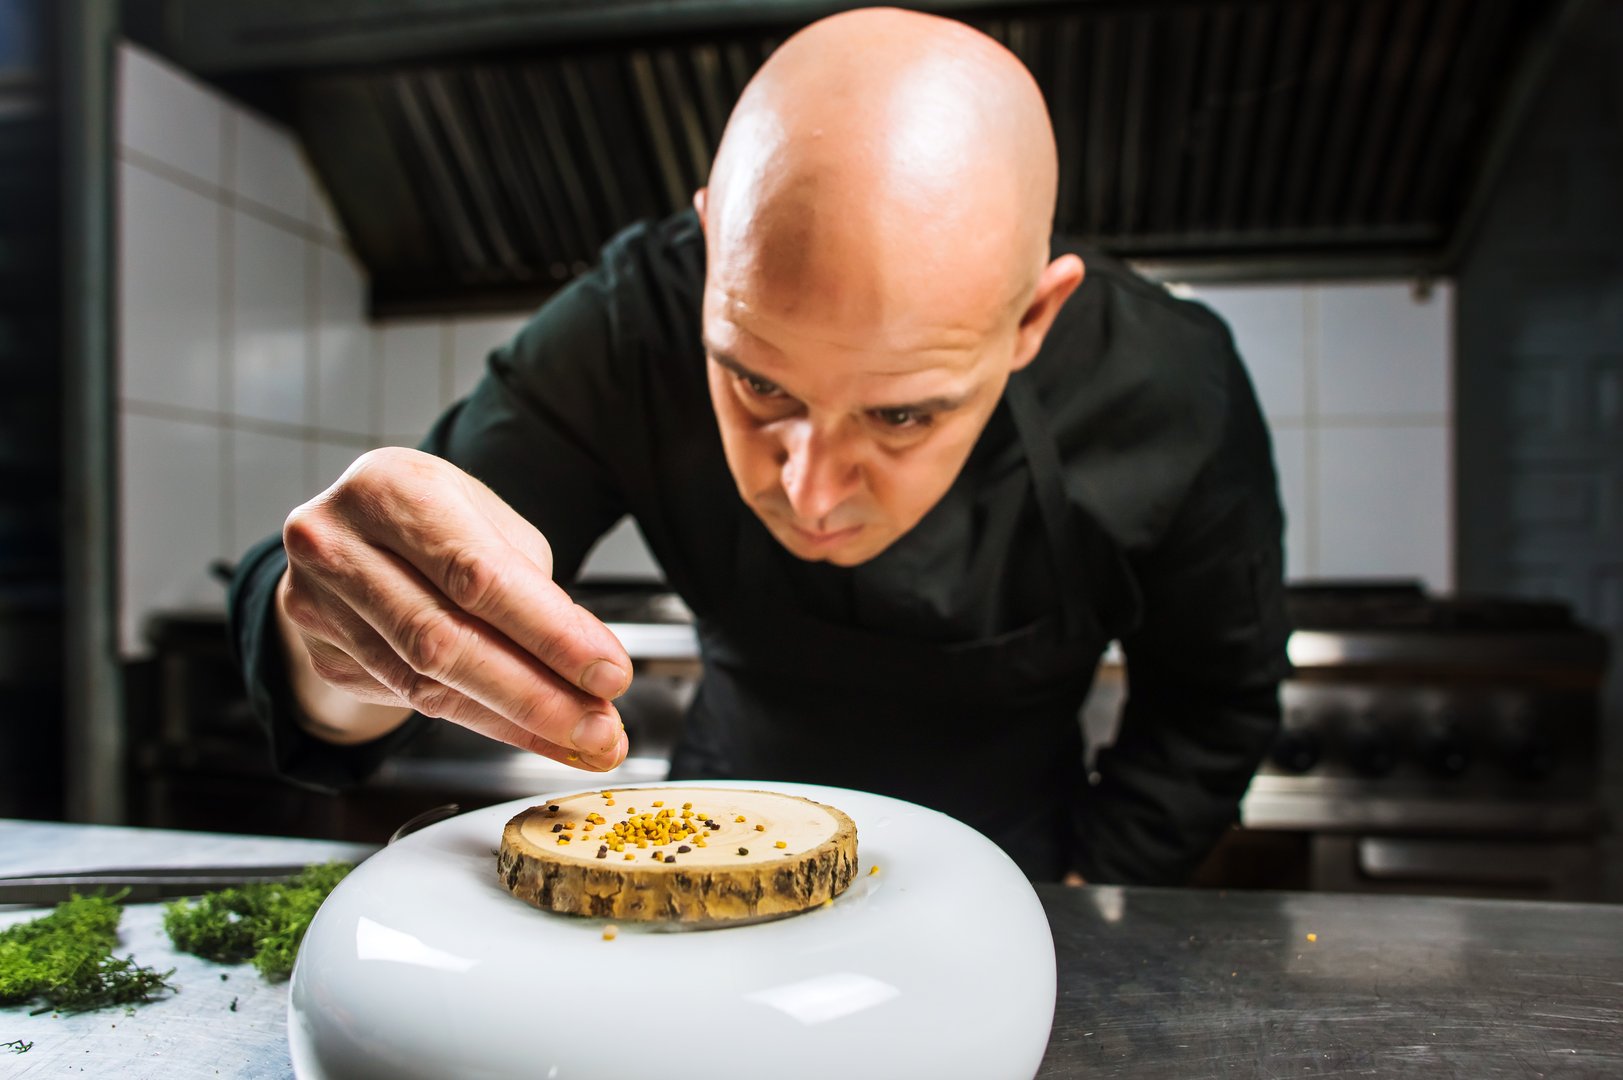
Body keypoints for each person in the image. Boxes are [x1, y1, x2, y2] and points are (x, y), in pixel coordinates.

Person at [229, 7, 1290, 884]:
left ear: (1032, 323)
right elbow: (384, 598)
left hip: (1019, 876)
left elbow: (1211, 709)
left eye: (904, 414)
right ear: (711, 249)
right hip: (701, 865)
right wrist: (330, 637)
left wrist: (1089, 888)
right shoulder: (634, 316)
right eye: (757, 383)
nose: (812, 493)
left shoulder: (1170, 383)